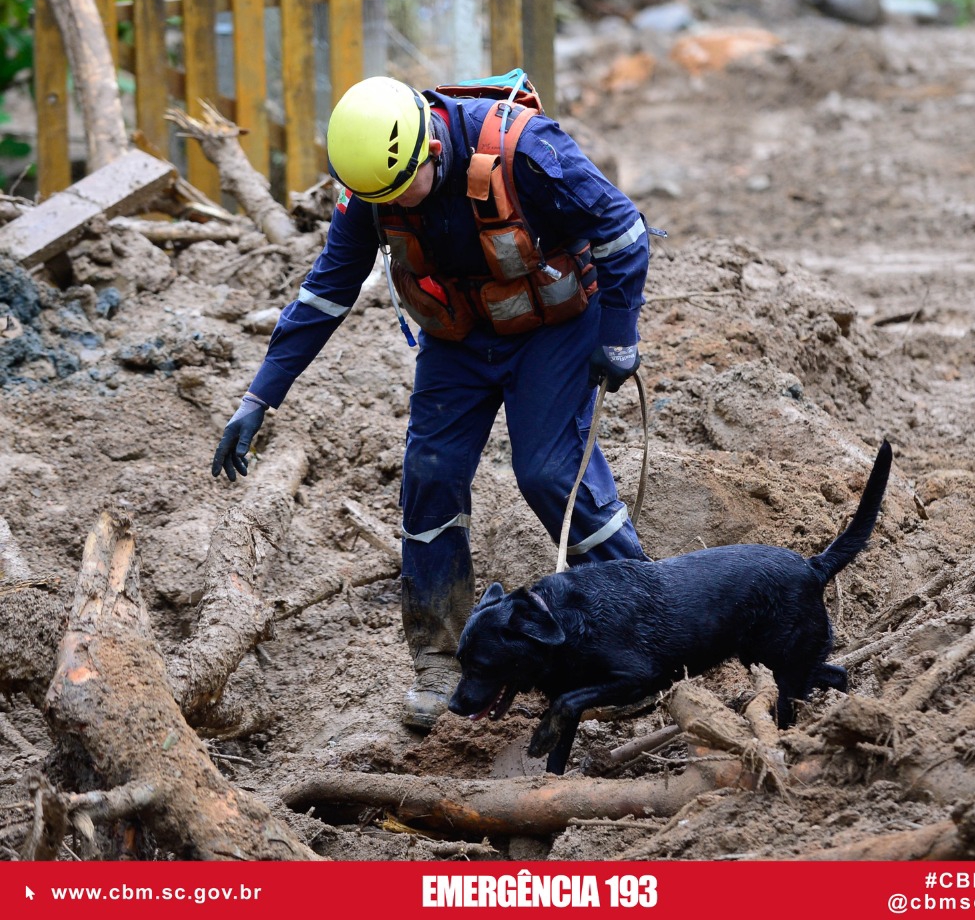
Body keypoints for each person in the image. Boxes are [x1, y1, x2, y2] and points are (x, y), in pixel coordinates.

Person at [211, 74, 650, 731]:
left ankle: (644, 622)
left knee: (550, 474)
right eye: (377, 200)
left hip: (553, 329)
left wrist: (617, 338)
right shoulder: (373, 190)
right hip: (461, 337)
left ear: (431, 151)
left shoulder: (524, 150)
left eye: (400, 191)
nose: (393, 209)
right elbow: (328, 289)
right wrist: (259, 396)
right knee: (431, 475)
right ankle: (440, 661)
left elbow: (623, 230)